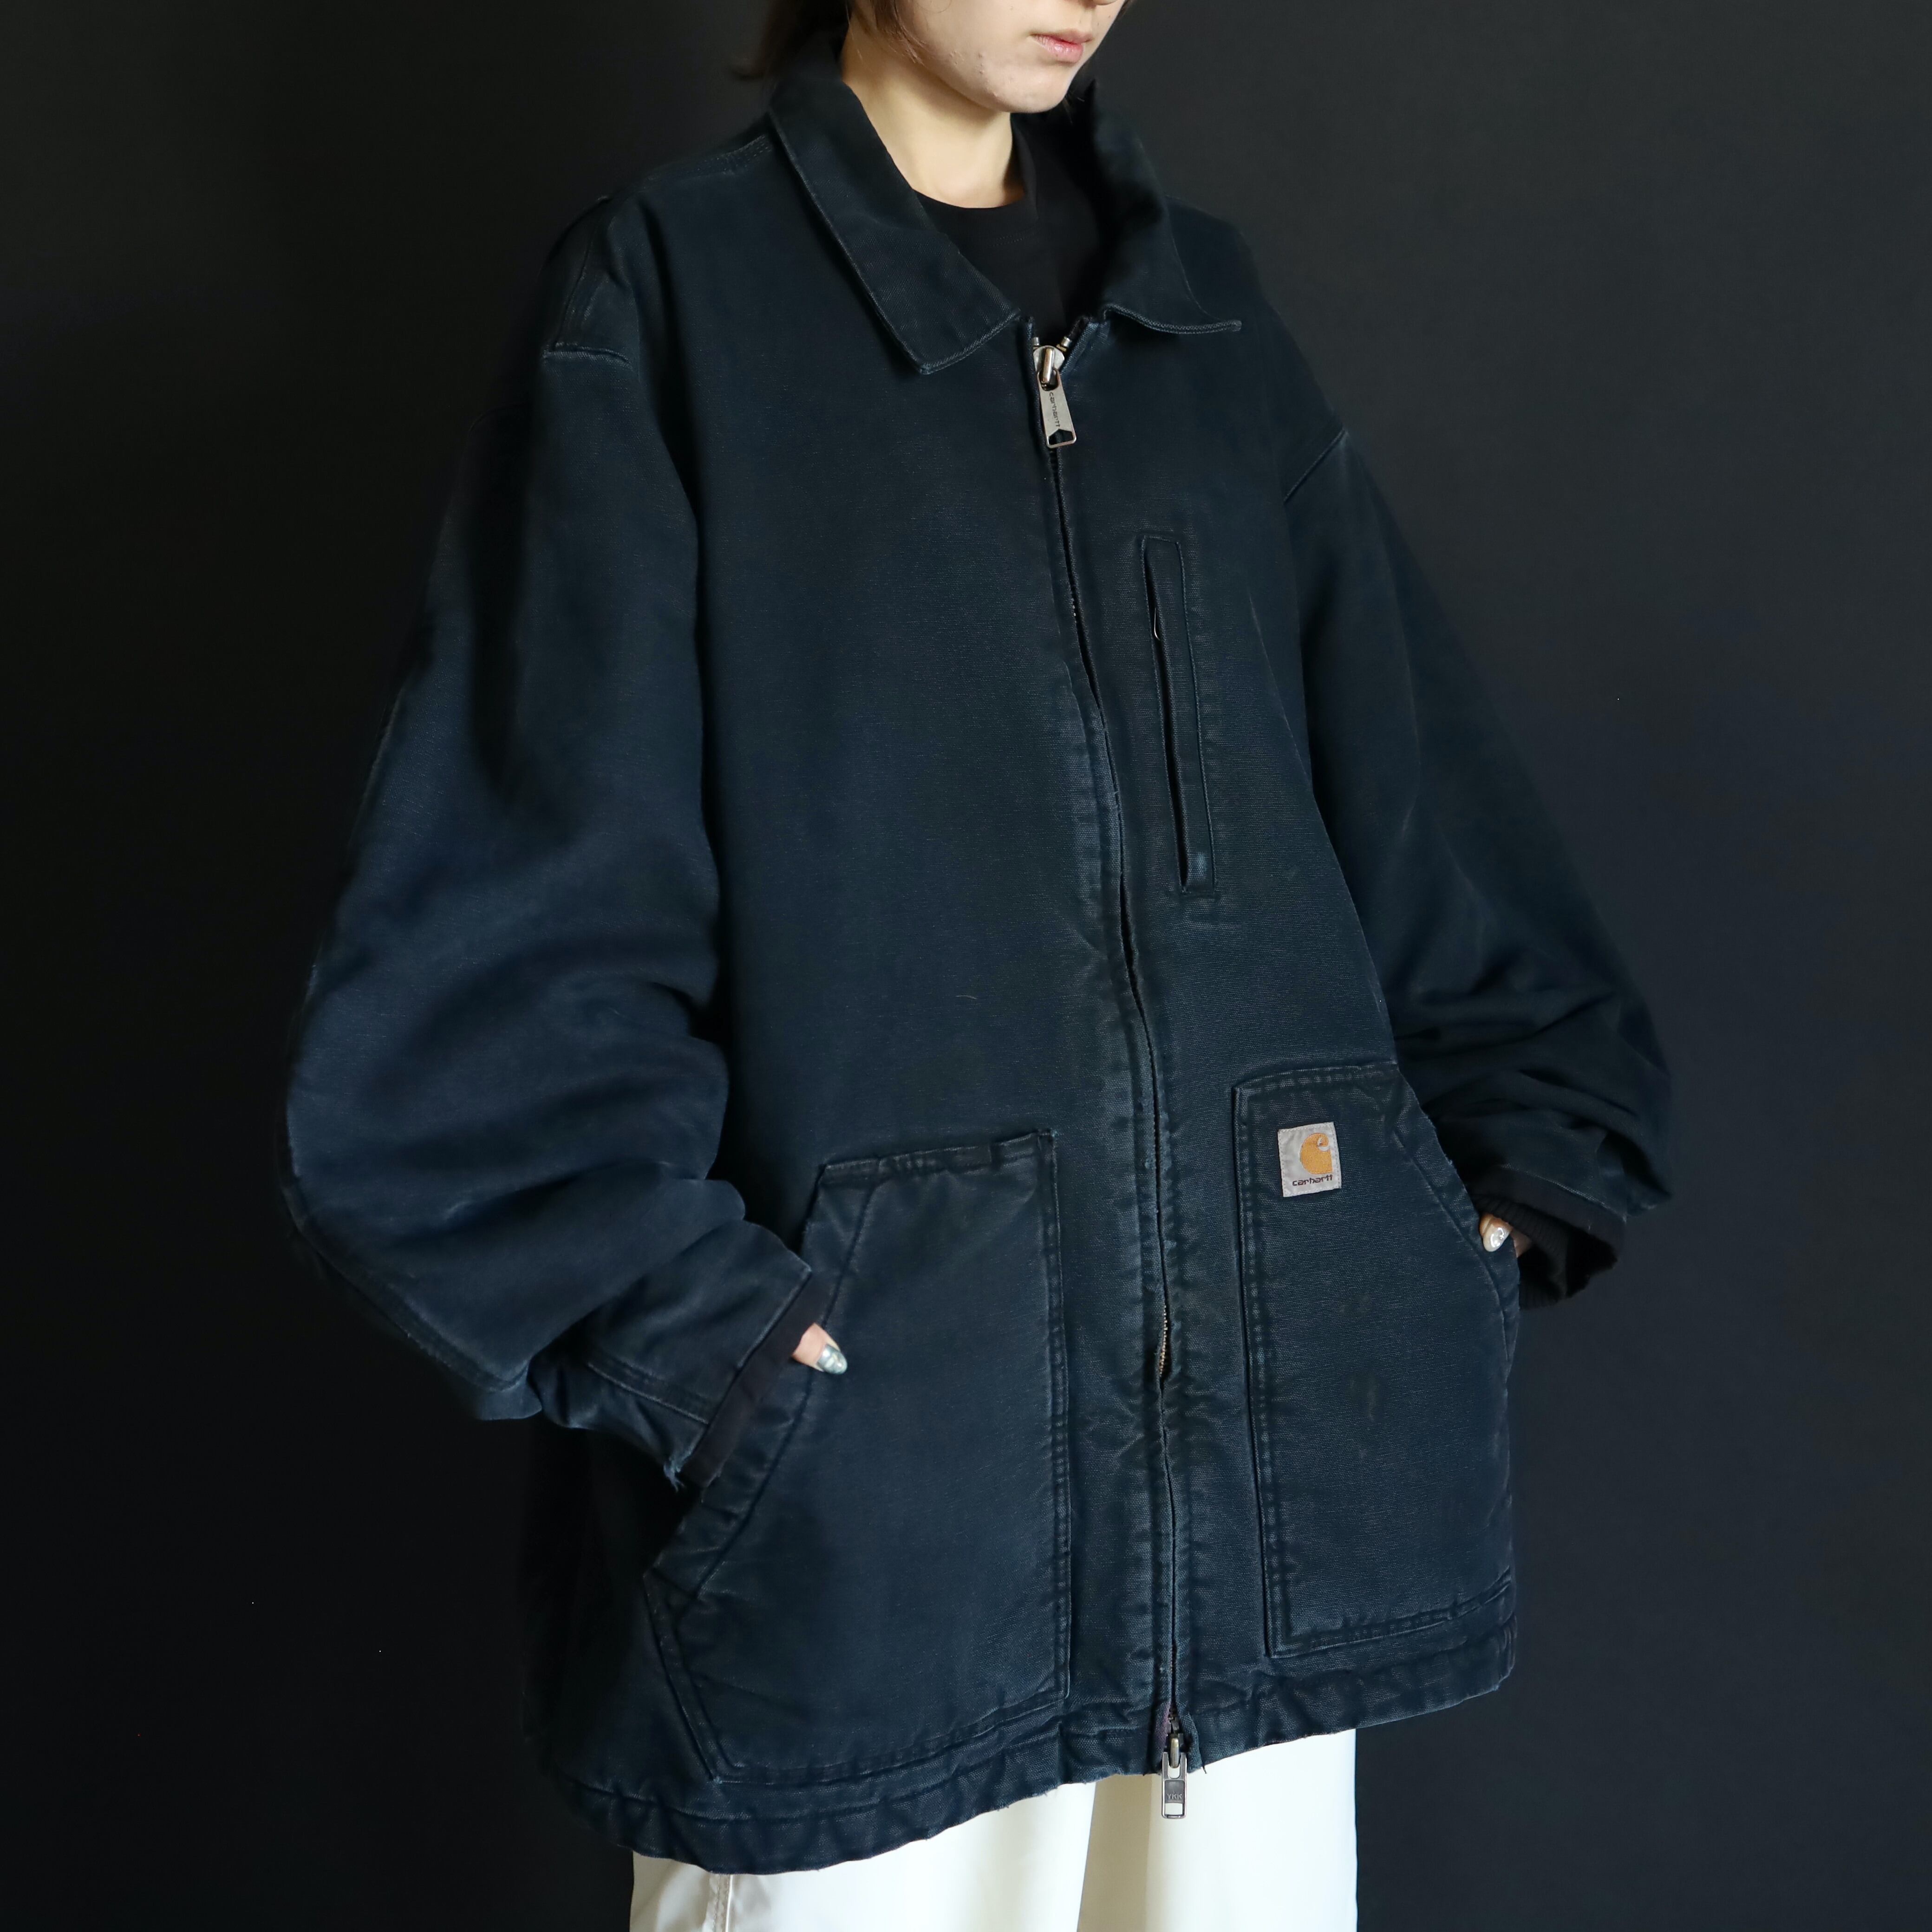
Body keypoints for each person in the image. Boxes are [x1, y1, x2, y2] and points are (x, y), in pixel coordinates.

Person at [279, 1, 1672, 1925]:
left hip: (1263, 1514)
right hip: (872, 1517)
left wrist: (1482, 1192)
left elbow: (1419, 801)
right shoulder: (673, 294)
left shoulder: (1204, 313)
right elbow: (519, 911)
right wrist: (711, 1350)